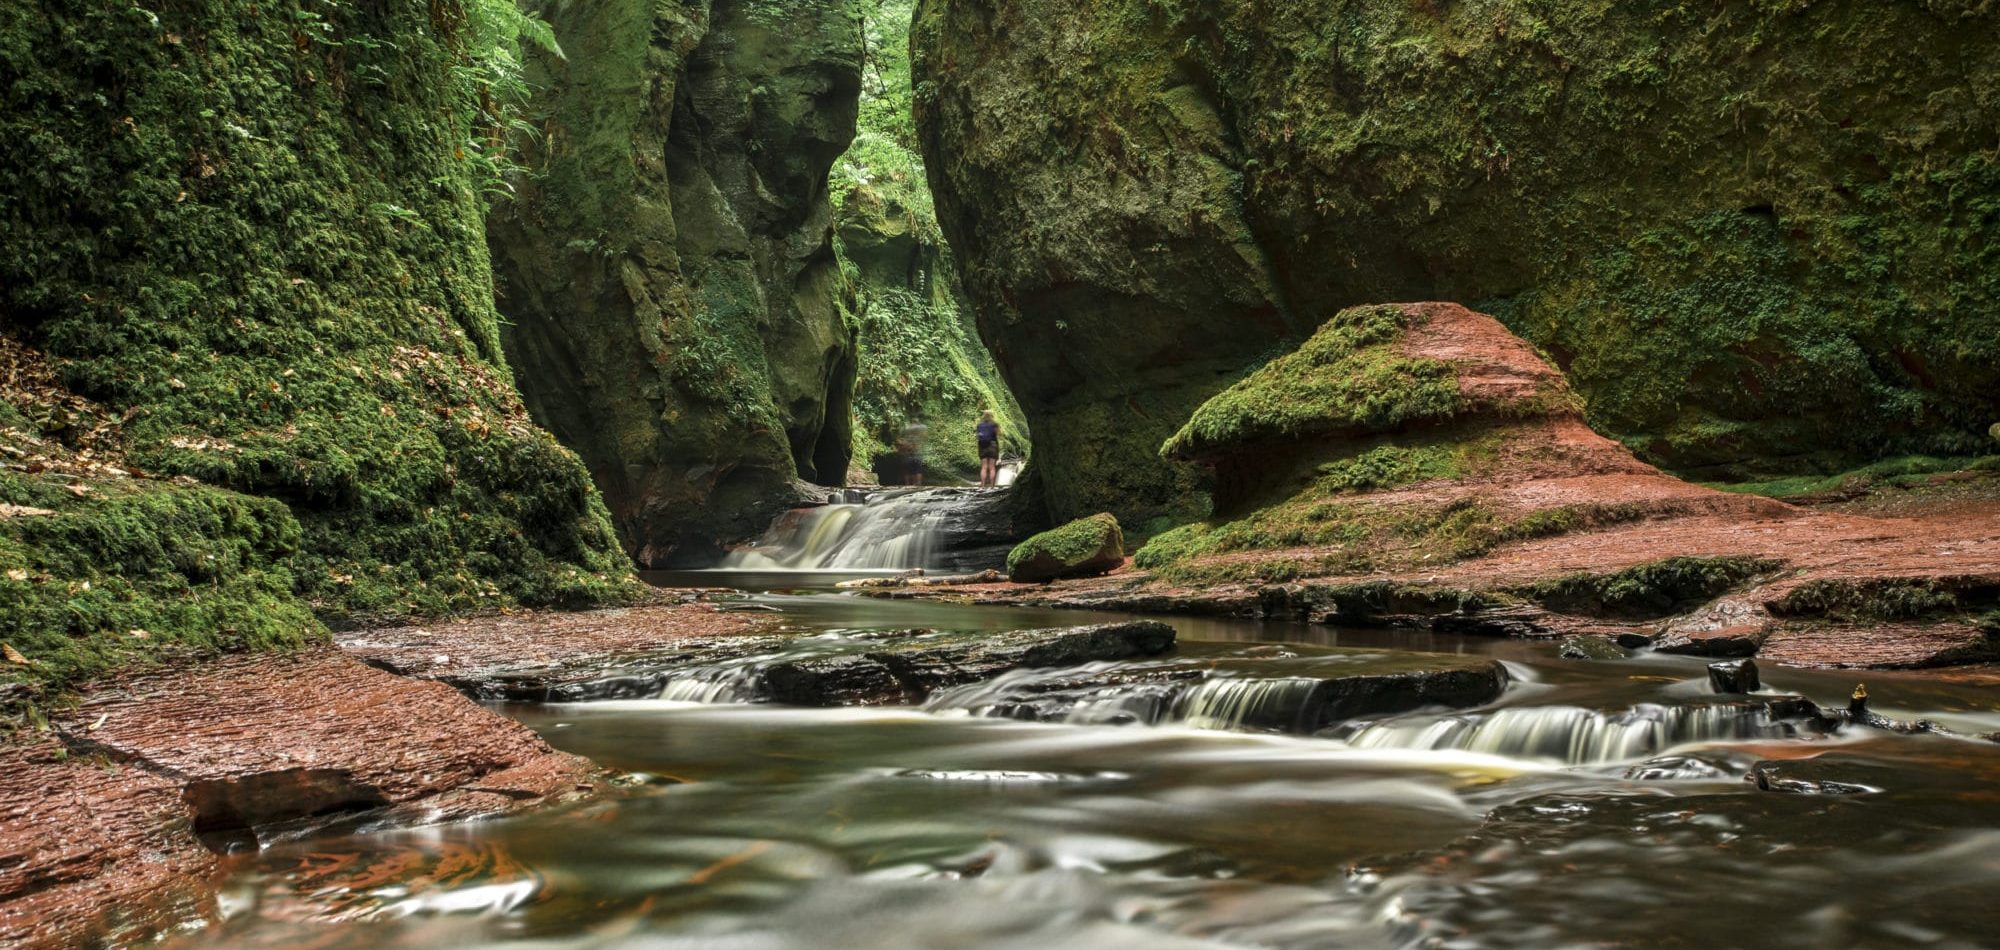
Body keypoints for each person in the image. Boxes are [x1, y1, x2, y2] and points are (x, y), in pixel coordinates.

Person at [975, 410, 1001, 488]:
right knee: (992, 467)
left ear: (983, 416)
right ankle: (992, 486)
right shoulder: (994, 424)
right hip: (992, 446)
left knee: (984, 467)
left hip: (982, 446)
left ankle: (982, 486)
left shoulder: (979, 425)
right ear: (991, 416)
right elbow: (998, 434)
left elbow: (977, 436)